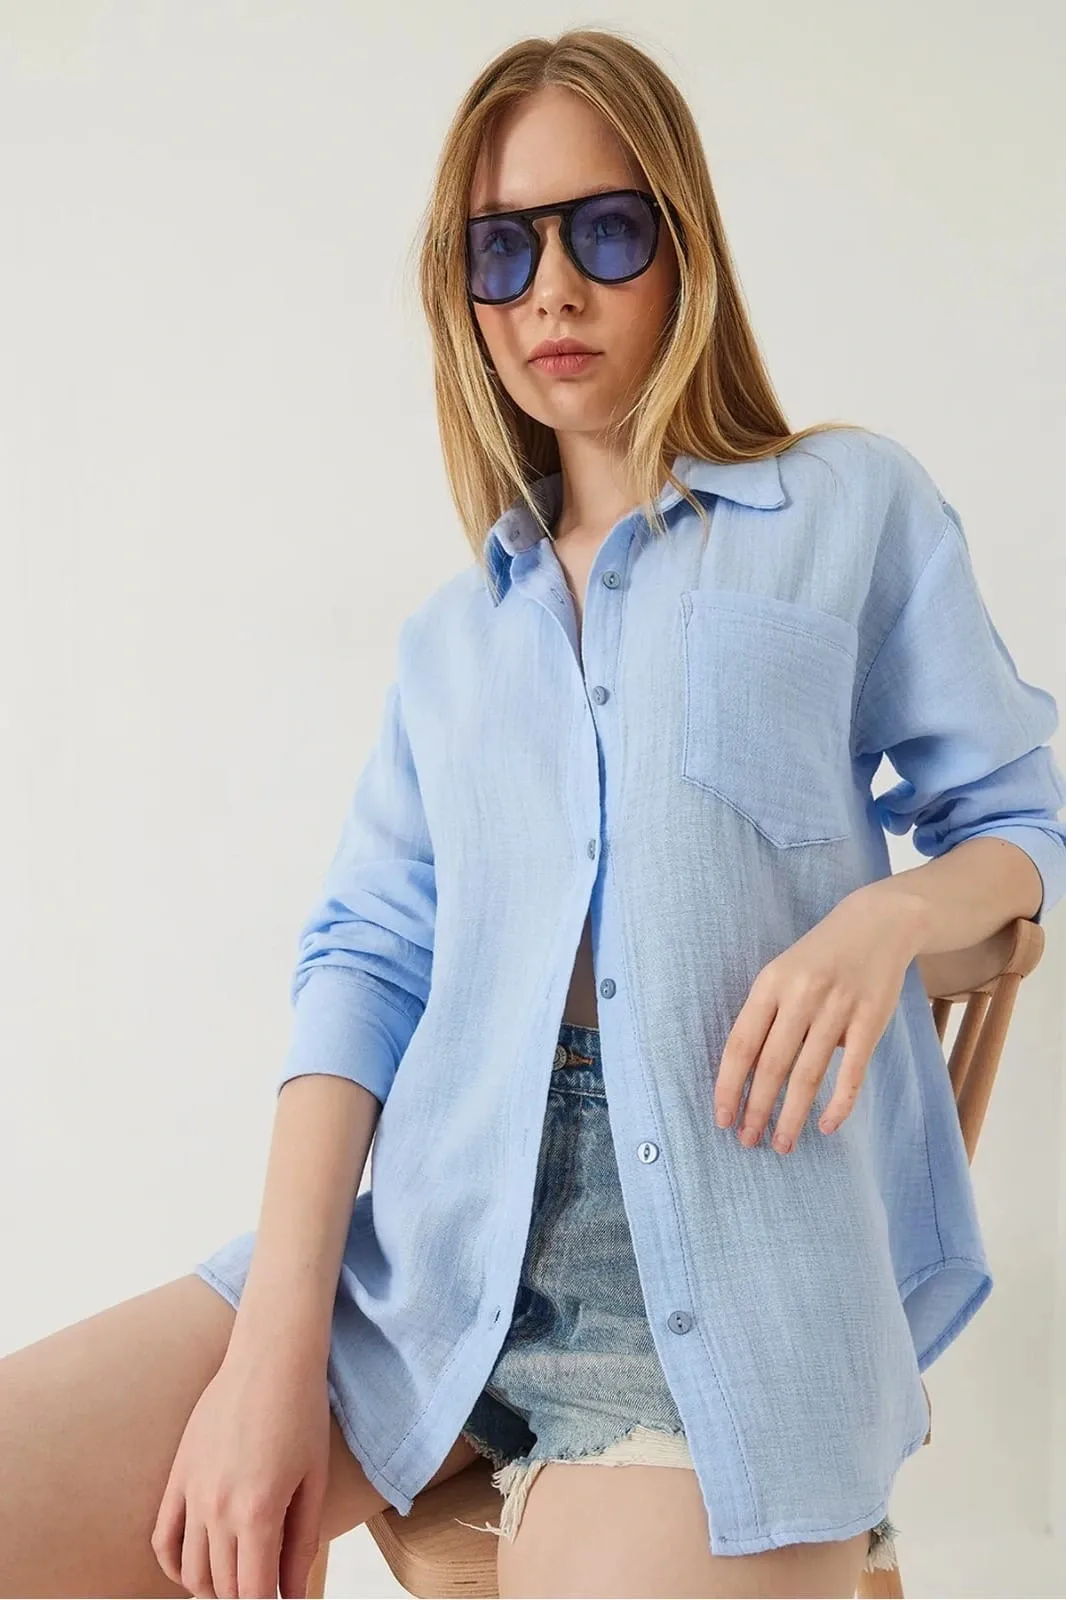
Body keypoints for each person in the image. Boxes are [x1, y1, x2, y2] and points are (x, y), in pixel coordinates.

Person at [3, 25, 1065, 1600]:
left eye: (603, 232)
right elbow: (364, 960)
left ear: (683, 247)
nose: (552, 290)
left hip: (733, 1279)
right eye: (502, 250)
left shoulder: (844, 505)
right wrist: (270, 1361)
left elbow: (1020, 822)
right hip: (429, 1254)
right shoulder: (457, 637)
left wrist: (888, 915)